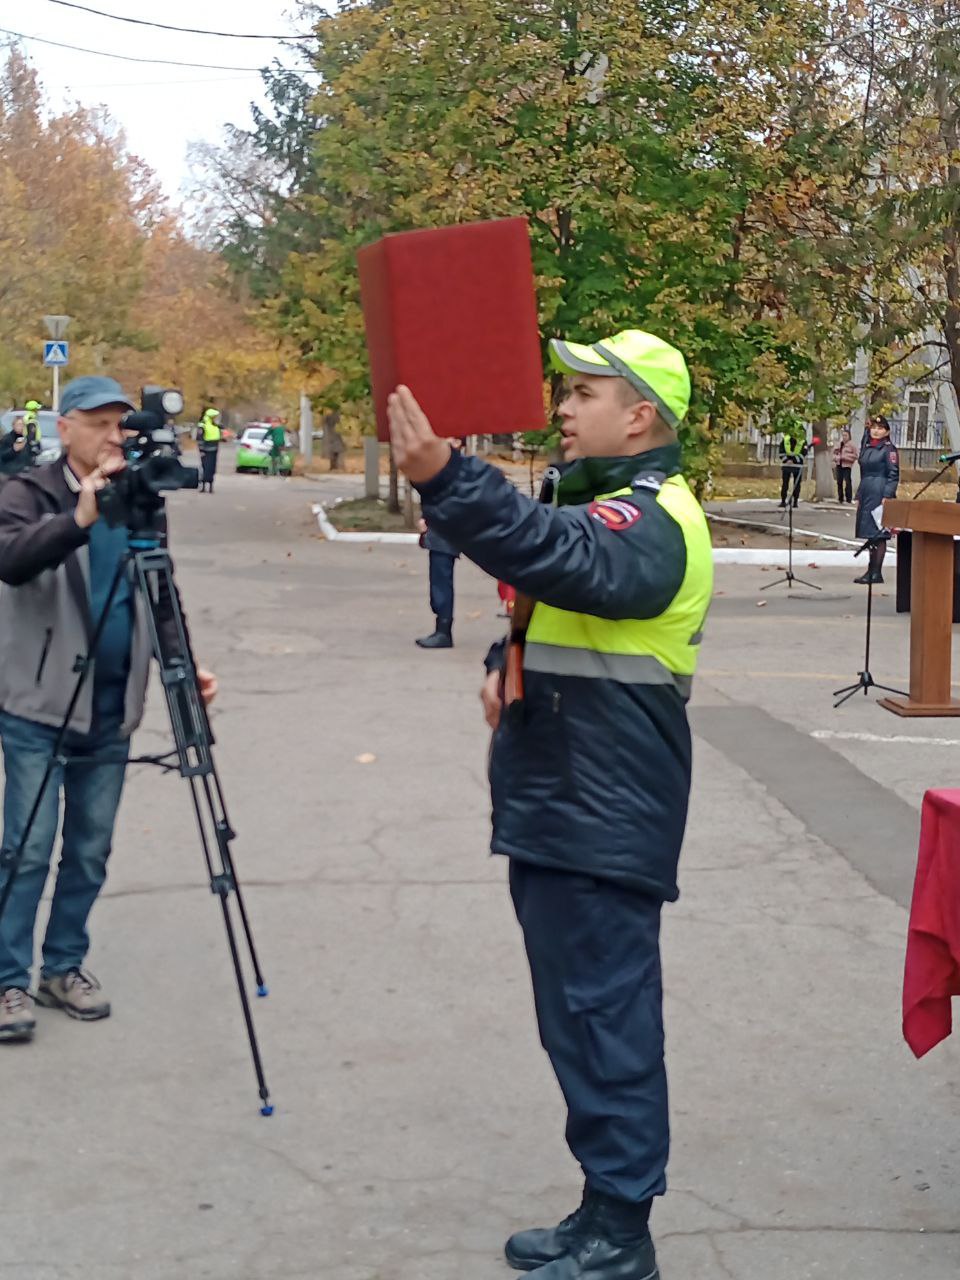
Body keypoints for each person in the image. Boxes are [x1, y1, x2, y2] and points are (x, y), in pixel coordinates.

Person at [388, 329, 713, 1280]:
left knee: (607, 1022)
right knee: (577, 1020)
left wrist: (447, 476)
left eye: (583, 393)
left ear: (639, 416)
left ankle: (623, 1237)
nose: (563, 408)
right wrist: (507, 660)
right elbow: (560, 592)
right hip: (566, 798)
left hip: (605, 809)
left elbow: (565, 556)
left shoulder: (656, 517)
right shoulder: (600, 501)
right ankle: (600, 1208)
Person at [0, 375, 218, 1044]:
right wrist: (80, 519)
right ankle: (8, 979)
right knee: (26, 850)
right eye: (97, 423)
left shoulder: (140, 496)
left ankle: (63, 967)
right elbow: (11, 559)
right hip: (37, 707)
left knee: (90, 851)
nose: (111, 435)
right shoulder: (27, 491)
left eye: (119, 423)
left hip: (112, 707)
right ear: (65, 427)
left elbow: (161, 589)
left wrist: (185, 663)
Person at [415, 437, 463, 649]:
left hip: (446, 532)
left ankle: (444, 632)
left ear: (458, 443)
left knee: (441, 583)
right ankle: (441, 628)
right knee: (437, 582)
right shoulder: (444, 466)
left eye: (450, 438)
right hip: (439, 531)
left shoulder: (457, 469)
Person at [854, 413, 899, 584]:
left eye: (880, 428)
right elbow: (863, 472)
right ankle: (871, 570)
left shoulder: (889, 449)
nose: (876, 431)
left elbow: (893, 474)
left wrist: (888, 494)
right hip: (867, 490)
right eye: (873, 428)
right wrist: (859, 494)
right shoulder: (868, 447)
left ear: (887, 432)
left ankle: (876, 572)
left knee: (879, 533)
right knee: (870, 534)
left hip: (880, 491)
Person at [778, 420, 808, 508]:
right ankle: (783, 501)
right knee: (785, 484)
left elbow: (803, 453)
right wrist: (787, 460)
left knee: (797, 484)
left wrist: (793, 460)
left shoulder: (803, 441)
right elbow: (781, 452)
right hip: (786, 465)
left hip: (797, 466)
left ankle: (795, 502)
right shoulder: (785, 439)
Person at [196, 406, 222, 493]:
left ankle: (210, 486)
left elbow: (218, 435)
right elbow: (199, 438)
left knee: (212, 468)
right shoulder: (203, 424)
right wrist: (201, 450)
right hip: (205, 449)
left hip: (214, 449)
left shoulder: (215, 425)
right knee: (205, 467)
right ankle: (203, 486)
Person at [833, 427, 857, 504]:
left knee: (847, 481)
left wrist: (845, 457)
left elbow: (855, 455)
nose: (844, 437)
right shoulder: (840, 444)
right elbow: (834, 453)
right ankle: (840, 498)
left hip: (847, 465)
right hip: (839, 464)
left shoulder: (852, 445)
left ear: (849, 436)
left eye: (846, 435)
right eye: (843, 435)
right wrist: (836, 457)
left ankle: (849, 498)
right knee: (839, 481)